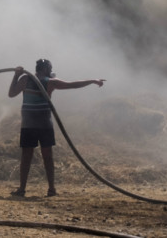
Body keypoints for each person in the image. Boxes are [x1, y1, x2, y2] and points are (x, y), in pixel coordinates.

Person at [7, 58, 105, 197]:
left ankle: (23, 189)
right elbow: (73, 85)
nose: (52, 70)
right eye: (50, 68)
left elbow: (11, 94)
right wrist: (93, 80)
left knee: (27, 156)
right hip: (43, 124)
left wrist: (16, 76)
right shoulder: (50, 82)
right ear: (46, 68)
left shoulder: (25, 79)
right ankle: (51, 189)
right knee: (47, 156)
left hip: (30, 124)